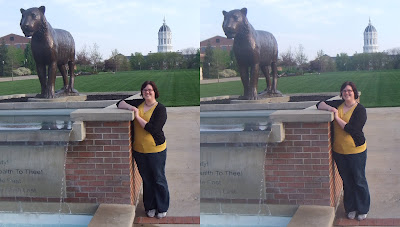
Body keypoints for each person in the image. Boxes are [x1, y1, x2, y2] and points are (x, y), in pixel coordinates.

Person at [316, 81, 370, 221]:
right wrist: (331, 109)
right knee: (347, 181)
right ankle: (351, 208)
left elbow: (352, 129)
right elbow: (319, 104)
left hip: (356, 151)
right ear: (341, 93)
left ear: (355, 93)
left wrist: (337, 118)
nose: (347, 93)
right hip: (339, 152)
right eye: (344, 91)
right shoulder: (338, 105)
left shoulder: (360, 110)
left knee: (359, 180)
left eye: (350, 91)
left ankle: (362, 209)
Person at [117, 81, 169, 219]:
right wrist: (132, 109)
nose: (147, 92)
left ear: (155, 92)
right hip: (139, 151)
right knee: (147, 180)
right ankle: (150, 206)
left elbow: (153, 128)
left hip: (156, 150)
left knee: (158, 179)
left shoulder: (160, 109)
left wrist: (138, 117)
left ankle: (162, 207)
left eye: (150, 90)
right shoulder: (138, 103)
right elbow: (119, 103)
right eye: (145, 90)